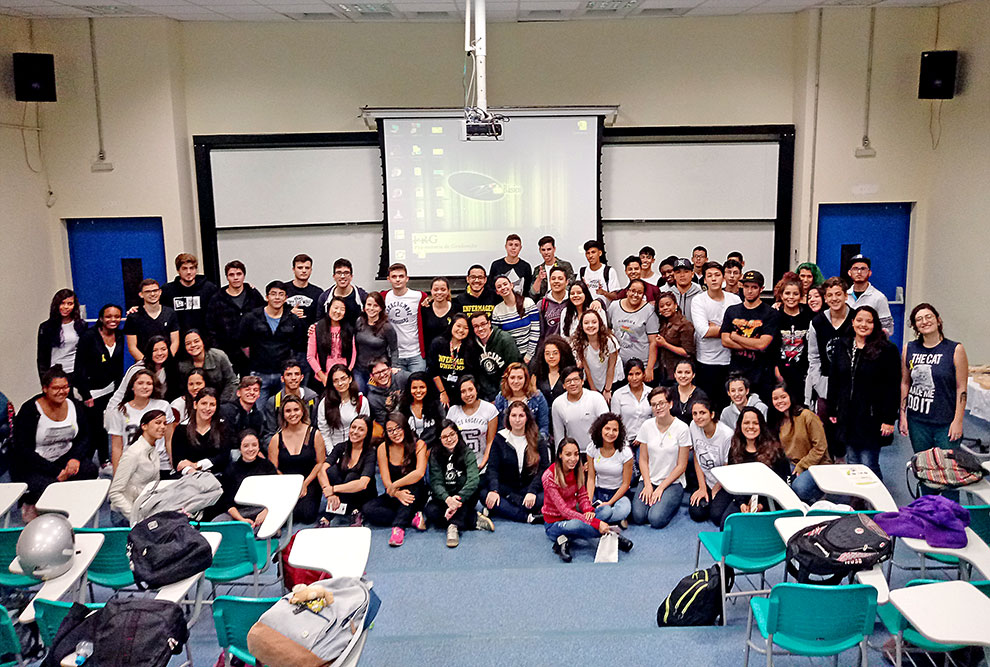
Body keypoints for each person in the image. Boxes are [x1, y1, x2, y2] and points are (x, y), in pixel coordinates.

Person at [12, 367, 99, 522]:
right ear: (45, 389)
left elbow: (85, 437)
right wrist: (56, 471)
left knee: (90, 470)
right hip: (36, 464)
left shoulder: (75, 406)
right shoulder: (30, 410)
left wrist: (75, 459)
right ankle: (30, 503)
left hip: (65, 457)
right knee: (48, 486)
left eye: (65, 387)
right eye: (56, 388)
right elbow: (22, 449)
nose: (62, 392)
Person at [827, 306, 900, 478]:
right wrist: (833, 408)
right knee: (852, 461)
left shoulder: (887, 350)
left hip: (872, 417)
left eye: (869, 321)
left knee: (869, 464)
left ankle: (876, 503)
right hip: (848, 415)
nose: (863, 324)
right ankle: (857, 502)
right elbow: (834, 379)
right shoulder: (842, 345)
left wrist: (889, 419)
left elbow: (892, 386)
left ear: (875, 324)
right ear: (852, 322)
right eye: (859, 320)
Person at [542, 437, 630, 563]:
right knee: (577, 524)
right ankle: (612, 535)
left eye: (576, 454)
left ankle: (565, 539)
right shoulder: (549, 477)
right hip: (554, 523)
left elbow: (583, 496)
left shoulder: (577, 470)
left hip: (573, 516)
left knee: (605, 511)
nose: (573, 459)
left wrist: (588, 510)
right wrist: (596, 523)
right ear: (560, 455)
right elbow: (564, 511)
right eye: (568, 454)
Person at [900, 303, 969, 452]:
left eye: (928, 317)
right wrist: (903, 415)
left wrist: (958, 421)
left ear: (938, 320)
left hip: (945, 421)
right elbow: (905, 383)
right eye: (919, 319)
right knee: (923, 466)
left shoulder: (955, 349)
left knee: (947, 469)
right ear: (915, 326)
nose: (924, 321)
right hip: (917, 421)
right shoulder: (909, 348)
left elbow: (961, 388)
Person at [362, 412, 429, 547]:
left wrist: (395, 486)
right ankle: (411, 518)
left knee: (411, 490)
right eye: (390, 430)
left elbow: (419, 473)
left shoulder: (419, 444)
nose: (395, 433)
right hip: (395, 493)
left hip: (416, 491)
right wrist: (395, 492)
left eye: (398, 428)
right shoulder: (383, 448)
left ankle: (398, 528)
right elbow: (385, 479)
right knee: (368, 508)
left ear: (405, 427)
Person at [718, 406, 792, 523]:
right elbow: (734, 480)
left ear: (761, 426)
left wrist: (761, 505)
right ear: (740, 425)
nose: (751, 427)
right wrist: (741, 503)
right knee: (726, 524)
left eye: (755, 423)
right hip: (745, 497)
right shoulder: (735, 448)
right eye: (746, 423)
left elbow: (784, 484)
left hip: (770, 500)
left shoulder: (775, 449)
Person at [805, 276, 853, 453]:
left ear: (846, 296)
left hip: (851, 382)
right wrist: (817, 382)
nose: (834, 299)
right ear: (825, 299)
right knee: (827, 425)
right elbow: (813, 356)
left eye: (838, 294)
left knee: (850, 428)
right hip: (825, 381)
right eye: (830, 295)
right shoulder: (817, 322)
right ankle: (830, 460)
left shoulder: (856, 319)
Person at [631, 386, 691, 529]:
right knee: (638, 517)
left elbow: (682, 466)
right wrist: (647, 484)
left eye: (661, 403)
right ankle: (656, 500)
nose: (658, 407)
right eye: (654, 404)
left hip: (672, 482)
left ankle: (670, 501)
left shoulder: (682, 428)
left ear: (670, 404)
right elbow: (643, 459)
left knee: (655, 519)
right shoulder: (647, 425)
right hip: (649, 479)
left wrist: (660, 488)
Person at [74, 303, 125, 470]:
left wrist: (120, 392)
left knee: (108, 424)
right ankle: (94, 462)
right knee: (95, 429)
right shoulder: (89, 336)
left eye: (117, 316)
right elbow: (79, 367)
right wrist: (86, 394)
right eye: (109, 316)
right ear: (101, 318)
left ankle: (105, 459)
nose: (113, 320)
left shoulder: (119, 335)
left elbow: (118, 365)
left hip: (111, 389)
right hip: (91, 392)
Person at [239, 280, 306, 405]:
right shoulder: (251, 318)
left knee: (285, 411)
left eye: (281, 294)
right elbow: (244, 344)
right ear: (267, 297)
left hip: (284, 375)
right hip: (259, 374)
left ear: (286, 298)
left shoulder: (293, 320)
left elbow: (299, 346)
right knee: (259, 412)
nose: (277, 297)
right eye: (273, 294)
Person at [426, 421, 491, 548]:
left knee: (470, 497)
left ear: (458, 434)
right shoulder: (434, 454)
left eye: (452, 434)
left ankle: (452, 527)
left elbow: (473, 480)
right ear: (439, 439)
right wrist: (448, 499)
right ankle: (473, 520)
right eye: (444, 437)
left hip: (464, 497)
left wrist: (458, 498)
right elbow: (436, 482)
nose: (449, 439)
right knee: (430, 511)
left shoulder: (467, 453)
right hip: (445, 499)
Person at [483, 401, 549, 524]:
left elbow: (544, 469)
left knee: (550, 494)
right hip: (507, 490)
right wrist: (494, 490)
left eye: (521, 416)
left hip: (529, 489)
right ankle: (528, 517)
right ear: (508, 418)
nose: (517, 420)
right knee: (483, 493)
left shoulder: (538, 439)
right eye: (513, 416)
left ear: (527, 418)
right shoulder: (499, 438)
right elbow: (492, 468)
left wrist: (532, 491)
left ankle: (506, 509)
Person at [267, 395, 326, 524]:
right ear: (282, 414)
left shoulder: (315, 434)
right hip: (286, 483)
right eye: (288, 411)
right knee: (285, 517)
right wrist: (290, 486)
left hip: (309, 481)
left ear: (302, 411)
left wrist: (304, 484)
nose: (292, 414)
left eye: (296, 410)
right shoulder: (276, 438)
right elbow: (274, 468)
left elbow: (320, 462)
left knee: (307, 516)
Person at [720, 270, 777, 401]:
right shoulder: (732, 310)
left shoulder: (770, 313)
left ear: (761, 289)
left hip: (761, 373)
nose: (750, 291)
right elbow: (725, 340)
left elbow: (762, 344)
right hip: (736, 371)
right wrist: (752, 343)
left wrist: (736, 337)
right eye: (746, 287)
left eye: (754, 287)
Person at [768, 383, 830, 503]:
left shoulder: (807, 416)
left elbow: (820, 447)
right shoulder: (777, 421)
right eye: (775, 399)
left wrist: (802, 465)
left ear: (790, 396)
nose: (780, 401)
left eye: (783, 397)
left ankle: (818, 499)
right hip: (792, 464)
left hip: (816, 465)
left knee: (799, 488)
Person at [106, 368, 175, 474]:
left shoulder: (163, 406)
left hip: (161, 464)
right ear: (132, 387)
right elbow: (117, 447)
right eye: (140, 383)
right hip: (133, 465)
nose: (145, 387)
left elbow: (169, 440)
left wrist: (173, 464)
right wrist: (117, 477)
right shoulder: (119, 411)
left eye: (149, 383)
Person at [691, 261, 740, 411]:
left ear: (723, 277)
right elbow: (704, 331)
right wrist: (728, 328)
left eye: (717, 275)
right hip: (707, 361)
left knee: (729, 405)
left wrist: (715, 327)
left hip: (730, 359)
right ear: (704, 280)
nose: (714, 279)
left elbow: (741, 329)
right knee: (709, 406)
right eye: (709, 276)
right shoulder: (699, 300)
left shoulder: (734, 299)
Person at [207, 260, 265, 376]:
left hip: (252, 352)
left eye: (239, 274)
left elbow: (264, 316)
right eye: (231, 275)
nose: (236, 278)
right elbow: (210, 327)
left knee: (252, 387)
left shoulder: (253, 294)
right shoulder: (217, 298)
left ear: (244, 275)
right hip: (227, 352)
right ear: (227, 277)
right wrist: (218, 351)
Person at [108, 410, 165, 526]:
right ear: (144, 426)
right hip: (125, 516)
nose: (163, 427)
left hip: (144, 512)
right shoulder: (133, 453)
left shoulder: (153, 451)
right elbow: (114, 493)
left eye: (164, 423)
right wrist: (134, 516)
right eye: (158, 423)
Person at [319, 415, 376, 526]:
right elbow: (322, 470)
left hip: (363, 495)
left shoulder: (370, 453)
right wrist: (329, 493)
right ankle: (351, 510)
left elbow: (362, 484)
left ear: (367, 433)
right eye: (353, 427)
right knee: (332, 471)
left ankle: (329, 516)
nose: (355, 432)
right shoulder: (340, 447)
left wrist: (333, 489)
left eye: (361, 429)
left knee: (352, 476)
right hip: (343, 492)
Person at [213, 429, 277, 528]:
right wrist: (242, 520)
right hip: (239, 513)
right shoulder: (231, 470)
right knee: (217, 523)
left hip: (262, 510)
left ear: (259, 447)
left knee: (269, 525)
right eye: (246, 446)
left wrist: (266, 511)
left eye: (254, 445)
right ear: (239, 448)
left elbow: (276, 494)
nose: (251, 449)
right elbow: (228, 503)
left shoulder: (267, 466)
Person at [686, 398, 733, 524]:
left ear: (712, 414)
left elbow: (727, 466)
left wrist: (716, 488)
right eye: (695, 414)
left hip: (723, 481)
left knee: (716, 517)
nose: (698, 417)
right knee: (697, 513)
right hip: (706, 479)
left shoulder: (727, 434)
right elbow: (697, 456)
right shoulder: (693, 426)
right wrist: (702, 487)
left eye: (702, 413)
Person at [109, 335, 181, 413]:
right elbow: (120, 394)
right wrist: (110, 412)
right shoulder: (137, 369)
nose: (160, 353)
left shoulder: (171, 368)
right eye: (155, 350)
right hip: (132, 410)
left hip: (156, 413)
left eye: (163, 349)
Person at [171, 388, 232, 479]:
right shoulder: (181, 429)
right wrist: (193, 472)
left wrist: (197, 465)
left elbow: (224, 456)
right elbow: (178, 461)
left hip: (217, 477)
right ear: (195, 405)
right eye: (203, 403)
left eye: (212, 405)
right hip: (188, 478)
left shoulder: (223, 427)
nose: (207, 408)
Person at [772, 272, 812, 407]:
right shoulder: (775, 316)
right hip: (780, 371)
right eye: (787, 293)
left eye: (795, 294)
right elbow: (771, 347)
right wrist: (776, 369)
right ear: (781, 295)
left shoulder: (808, 315)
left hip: (803, 372)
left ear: (801, 295)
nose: (791, 297)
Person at [586, 413, 633, 526]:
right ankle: (610, 521)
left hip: (618, 494)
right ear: (600, 429)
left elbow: (626, 484)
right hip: (598, 492)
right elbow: (591, 478)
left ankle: (594, 521)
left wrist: (610, 502)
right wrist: (588, 504)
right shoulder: (592, 448)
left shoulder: (626, 452)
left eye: (614, 430)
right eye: (607, 428)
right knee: (580, 505)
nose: (610, 433)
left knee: (623, 510)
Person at [608, 279, 658, 381]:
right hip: (619, 365)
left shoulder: (649, 310)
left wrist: (649, 368)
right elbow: (608, 329)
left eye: (639, 293)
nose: (635, 295)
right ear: (627, 291)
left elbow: (653, 342)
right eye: (632, 291)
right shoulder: (614, 306)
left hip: (641, 366)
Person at [383, 263, 428, 373]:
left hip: (416, 354)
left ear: (407, 279)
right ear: (389, 279)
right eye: (394, 277)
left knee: (418, 388)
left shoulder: (420, 296)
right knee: (398, 389)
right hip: (395, 356)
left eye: (401, 276)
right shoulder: (384, 297)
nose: (398, 280)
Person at [446, 375, 498, 469]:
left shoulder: (489, 409)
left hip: (482, 464)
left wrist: (483, 463)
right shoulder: (453, 411)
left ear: (476, 389)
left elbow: (491, 441)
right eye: (463, 391)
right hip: (459, 465)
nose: (468, 394)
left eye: (470, 389)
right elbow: (448, 440)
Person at [550, 367, 608, 451]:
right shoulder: (558, 404)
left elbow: (607, 426)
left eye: (576, 379)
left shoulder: (596, 398)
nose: (572, 383)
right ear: (563, 385)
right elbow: (559, 435)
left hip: (597, 450)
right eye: (568, 381)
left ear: (582, 381)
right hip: (573, 453)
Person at [160, 253, 218, 336]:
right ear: (178, 270)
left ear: (196, 270)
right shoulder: (167, 290)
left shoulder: (209, 288)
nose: (189, 272)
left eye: (192, 268)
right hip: (178, 340)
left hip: (204, 339)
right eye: (184, 269)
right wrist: (137, 309)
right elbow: (155, 308)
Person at [428, 312, 479, 406]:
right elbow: (433, 371)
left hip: (462, 390)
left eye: (466, 328)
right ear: (452, 325)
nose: (461, 330)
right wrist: (443, 392)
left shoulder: (471, 347)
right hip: (440, 388)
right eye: (458, 326)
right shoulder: (438, 343)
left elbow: (473, 374)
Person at [316, 364, 370, 453]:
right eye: (336, 381)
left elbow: (364, 428)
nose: (340, 383)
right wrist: (332, 454)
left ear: (350, 379)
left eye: (343, 379)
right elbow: (324, 432)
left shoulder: (361, 401)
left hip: (355, 450)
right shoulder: (325, 403)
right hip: (332, 450)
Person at [37, 289, 88, 380]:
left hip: (76, 373)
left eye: (70, 304)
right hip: (55, 374)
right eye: (62, 303)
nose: (66, 307)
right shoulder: (46, 327)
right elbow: (42, 357)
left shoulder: (82, 325)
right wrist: (44, 379)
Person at [471, 310, 522, 401]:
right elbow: (478, 373)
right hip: (486, 392)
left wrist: (500, 396)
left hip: (506, 390)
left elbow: (513, 368)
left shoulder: (505, 340)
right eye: (476, 326)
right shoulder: (473, 344)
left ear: (489, 323)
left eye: (483, 324)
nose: (480, 329)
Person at [571, 310, 621, 401]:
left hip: (612, 381)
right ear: (581, 326)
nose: (590, 325)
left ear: (599, 324)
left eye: (594, 322)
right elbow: (587, 369)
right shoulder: (580, 344)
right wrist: (594, 391)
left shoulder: (610, 341)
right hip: (593, 381)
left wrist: (607, 390)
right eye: (586, 323)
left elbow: (611, 367)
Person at [177, 329, 238, 403]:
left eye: (196, 341)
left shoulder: (219, 356)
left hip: (222, 401)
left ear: (203, 342)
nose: (193, 345)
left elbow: (232, 382)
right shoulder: (182, 365)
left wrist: (220, 403)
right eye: (188, 343)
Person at [125, 279, 179, 360]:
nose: (152, 294)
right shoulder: (133, 317)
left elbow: (175, 341)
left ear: (160, 292)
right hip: (144, 365)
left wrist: (167, 360)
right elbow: (132, 347)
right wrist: (146, 363)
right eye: (148, 291)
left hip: (167, 364)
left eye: (155, 290)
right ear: (141, 294)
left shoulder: (170, 313)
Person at [308, 296, 357, 385]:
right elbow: (310, 356)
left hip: (344, 375)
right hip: (323, 375)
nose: (338, 311)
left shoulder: (349, 329)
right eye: (335, 307)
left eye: (342, 309)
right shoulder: (317, 328)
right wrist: (323, 377)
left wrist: (347, 374)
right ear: (329, 308)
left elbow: (354, 354)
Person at [493, 362, 550, 438]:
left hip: (532, 441)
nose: (516, 381)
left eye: (520, 378)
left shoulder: (537, 397)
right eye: (512, 378)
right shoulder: (501, 398)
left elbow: (544, 427)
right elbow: (499, 428)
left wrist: (536, 443)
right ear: (507, 379)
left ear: (526, 379)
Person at [491, 275, 540, 362]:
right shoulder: (497, 310)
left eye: (505, 284)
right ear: (497, 292)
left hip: (531, 356)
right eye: (499, 287)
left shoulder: (528, 303)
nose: (503, 288)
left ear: (511, 285)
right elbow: (497, 337)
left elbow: (535, 332)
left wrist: (528, 356)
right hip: (510, 356)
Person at [262, 360, 320, 434]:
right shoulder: (274, 402)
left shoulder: (313, 399)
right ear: (282, 379)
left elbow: (316, 428)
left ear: (302, 377)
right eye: (289, 375)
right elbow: (270, 432)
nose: (293, 378)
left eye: (296, 374)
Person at [846, 255, 894, 337]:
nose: (859, 272)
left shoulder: (879, 297)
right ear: (849, 272)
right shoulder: (844, 296)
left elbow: (888, 328)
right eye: (855, 269)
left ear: (869, 273)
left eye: (863, 269)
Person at [655, 291, 696, 384]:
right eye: (661, 306)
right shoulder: (662, 323)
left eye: (668, 304)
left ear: (675, 305)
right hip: (664, 371)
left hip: (681, 372)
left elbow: (687, 352)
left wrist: (665, 344)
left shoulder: (685, 325)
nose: (665, 308)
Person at [611, 359, 653, 447]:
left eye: (638, 374)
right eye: (630, 374)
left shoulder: (651, 393)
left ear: (644, 374)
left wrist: (642, 437)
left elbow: (656, 420)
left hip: (647, 440)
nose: (634, 378)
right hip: (624, 442)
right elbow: (615, 422)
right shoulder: (618, 395)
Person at [398, 371, 445, 447]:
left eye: (422, 387)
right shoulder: (402, 406)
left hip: (433, 448)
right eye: (414, 388)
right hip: (409, 449)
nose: (418, 391)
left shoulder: (436, 405)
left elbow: (443, 427)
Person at [316, 258, 368, 327]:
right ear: (334, 276)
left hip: (357, 336)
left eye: (346, 273)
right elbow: (319, 322)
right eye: (339, 273)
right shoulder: (324, 298)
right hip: (332, 336)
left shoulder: (362, 296)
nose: (342, 276)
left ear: (351, 276)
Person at [530, 335, 576, 411]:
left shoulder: (570, 374)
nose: (551, 356)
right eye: (547, 353)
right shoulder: (537, 374)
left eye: (555, 353)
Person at [219, 376, 269, 443]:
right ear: (238, 393)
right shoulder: (227, 410)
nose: (252, 392)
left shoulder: (259, 415)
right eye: (247, 389)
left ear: (259, 394)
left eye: (255, 390)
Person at [284, 253, 323, 329]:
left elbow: (321, 318)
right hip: (285, 337)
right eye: (300, 268)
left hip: (309, 337)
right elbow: (272, 312)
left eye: (307, 268)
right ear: (293, 269)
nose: (304, 271)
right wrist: (289, 313)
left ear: (311, 270)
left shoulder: (318, 292)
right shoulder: (283, 289)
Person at [366, 359, 408, 429]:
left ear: (390, 369)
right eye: (377, 373)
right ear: (371, 376)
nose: (382, 375)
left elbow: (421, 380)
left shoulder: (401, 377)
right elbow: (383, 421)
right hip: (394, 426)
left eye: (384, 370)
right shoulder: (372, 398)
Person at [530, 235, 574, 299]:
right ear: (540, 251)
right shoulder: (538, 270)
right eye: (543, 250)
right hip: (544, 304)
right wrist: (539, 279)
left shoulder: (565, 266)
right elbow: (532, 295)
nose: (546, 252)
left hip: (563, 302)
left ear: (554, 249)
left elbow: (571, 288)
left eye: (549, 249)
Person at [579, 239, 621, 305]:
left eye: (593, 252)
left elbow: (615, 296)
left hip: (604, 311)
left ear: (600, 253)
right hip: (587, 311)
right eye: (588, 253)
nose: (590, 256)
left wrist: (604, 292)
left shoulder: (609, 271)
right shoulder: (582, 271)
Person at [420, 277, 455, 353]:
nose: (439, 292)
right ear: (431, 291)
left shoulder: (456, 308)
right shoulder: (425, 309)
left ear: (448, 291)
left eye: (443, 289)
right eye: (436, 290)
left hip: (450, 357)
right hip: (430, 355)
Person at [536, 266, 569, 344]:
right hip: (550, 350)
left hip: (570, 349)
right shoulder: (542, 304)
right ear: (549, 281)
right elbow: (539, 334)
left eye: (560, 279)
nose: (556, 281)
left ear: (567, 282)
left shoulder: (572, 301)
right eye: (553, 279)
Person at [671, 360, 708, 425]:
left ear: (693, 375)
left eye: (687, 372)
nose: (683, 376)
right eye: (679, 372)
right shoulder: (669, 392)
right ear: (674, 375)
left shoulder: (701, 396)